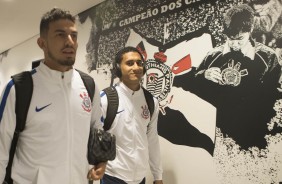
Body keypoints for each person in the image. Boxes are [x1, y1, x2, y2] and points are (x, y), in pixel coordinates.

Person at [0, 8, 106, 183]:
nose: (70, 42)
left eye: (74, 35)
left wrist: (101, 160)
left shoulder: (89, 85)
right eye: (60, 35)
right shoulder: (19, 88)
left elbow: (97, 129)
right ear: (42, 43)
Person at [173, 4, 281, 150]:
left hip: (256, 133)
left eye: (240, 39)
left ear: (250, 31)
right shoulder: (213, 55)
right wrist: (204, 75)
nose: (235, 44)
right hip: (221, 134)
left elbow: (274, 96)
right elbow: (191, 85)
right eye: (230, 39)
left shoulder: (267, 57)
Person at [100, 46, 163, 184]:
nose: (136, 67)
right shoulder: (105, 99)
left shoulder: (151, 101)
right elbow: (91, 137)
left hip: (140, 178)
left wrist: (158, 176)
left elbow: (152, 140)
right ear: (118, 68)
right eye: (129, 63)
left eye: (139, 63)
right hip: (112, 177)